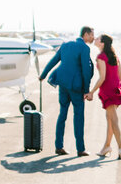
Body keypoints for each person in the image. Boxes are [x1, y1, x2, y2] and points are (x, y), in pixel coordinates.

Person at [39, 25, 95, 156]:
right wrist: (87, 90)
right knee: (79, 117)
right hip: (76, 88)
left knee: (62, 114)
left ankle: (59, 146)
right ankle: (80, 149)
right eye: (92, 34)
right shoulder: (84, 48)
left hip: (63, 85)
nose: (93, 37)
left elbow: (54, 61)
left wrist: (43, 75)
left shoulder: (65, 45)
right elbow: (86, 71)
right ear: (85, 35)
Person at [91, 34, 121, 158]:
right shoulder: (115, 56)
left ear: (102, 43)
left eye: (98, 38)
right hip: (117, 90)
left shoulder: (101, 57)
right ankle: (106, 146)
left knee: (114, 120)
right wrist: (118, 89)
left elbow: (102, 78)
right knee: (110, 119)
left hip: (108, 91)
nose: (95, 39)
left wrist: (91, 91)